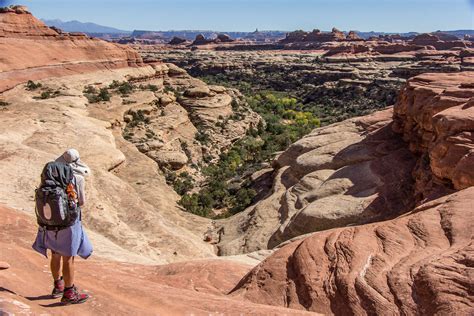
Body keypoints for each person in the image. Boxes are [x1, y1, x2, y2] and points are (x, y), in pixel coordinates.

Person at [32, 149, 93, 304]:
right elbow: (82, 202)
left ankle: (58, 285)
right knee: (68, 258)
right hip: (68, 223)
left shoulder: (49, 175)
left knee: (55, 254)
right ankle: (69, 293)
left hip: (50, 223)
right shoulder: (77, 177)